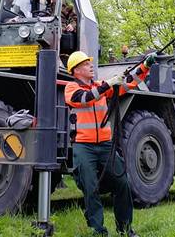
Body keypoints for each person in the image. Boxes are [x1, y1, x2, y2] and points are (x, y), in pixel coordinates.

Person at [64, 50, 157, 237]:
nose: (90, 66)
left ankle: (125, 229)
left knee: (122, 183)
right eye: (85, 64)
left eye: (90, 63)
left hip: (106, 145)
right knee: (90, 188)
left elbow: (130, 84)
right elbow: (85, 98)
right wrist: (108, 83)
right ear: (76, 70)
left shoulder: (100, 86)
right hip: (84, 147)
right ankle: (97, 231)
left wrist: (145, 66)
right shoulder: (71, 88)